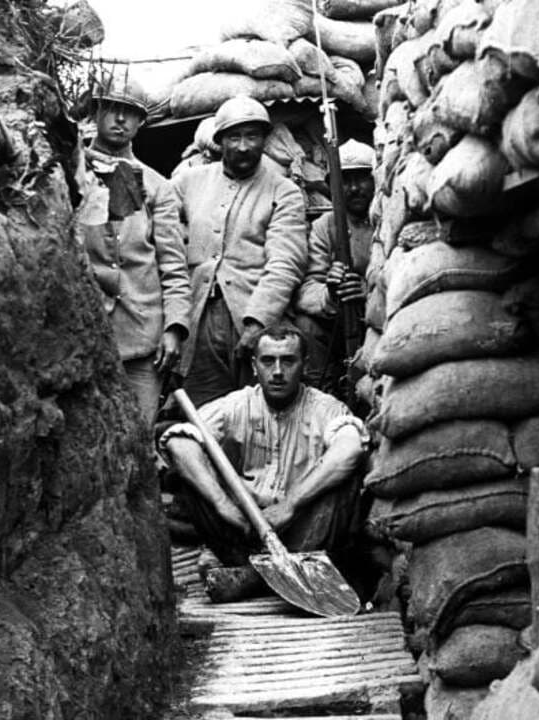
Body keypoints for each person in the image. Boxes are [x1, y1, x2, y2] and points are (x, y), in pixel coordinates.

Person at [160, 324, 368, 602]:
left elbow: (350, 447)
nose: (278, 372)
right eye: (268, 361)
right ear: (254, 366)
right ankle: (261, 572)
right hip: (243, 530)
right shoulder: (237, 404)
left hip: (301, 533)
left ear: (305, 365)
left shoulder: (325, 408)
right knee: (192, 471)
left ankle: (253, 578)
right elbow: (179, 443)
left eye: (288, 361)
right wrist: (223, 504)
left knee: (345, 479)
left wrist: (291, 505)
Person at [171, 96, 309, 407]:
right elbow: (160, 228)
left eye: (252, 136)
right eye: (234, 137)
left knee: (259, 411)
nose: (244, 146)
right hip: (198, 317)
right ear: (220, 141)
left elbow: (286, 262)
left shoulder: (283, 191)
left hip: (252, 316)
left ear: (264, 139)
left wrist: (258, 322)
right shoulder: (188, 182)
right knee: (203, 412)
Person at [77, 75, 192, 423]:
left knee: (139, 434)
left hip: (142, 336)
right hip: (85, 332)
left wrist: (174, 327)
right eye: (111, 109)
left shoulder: (158, 187)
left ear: (141, 121)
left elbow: (173, 265)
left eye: (130, 113)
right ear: (96, 112)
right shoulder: (74, 173)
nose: (120, 120)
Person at [293, 139, 376, 389]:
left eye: (361, 179)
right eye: (345, 181)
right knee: (306, 326)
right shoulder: (324, 226)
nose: (354, 189)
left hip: (382, 318)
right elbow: (307, 289)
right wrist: (330, 294)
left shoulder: (388, 219)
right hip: (341, 324)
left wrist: (370, 292)